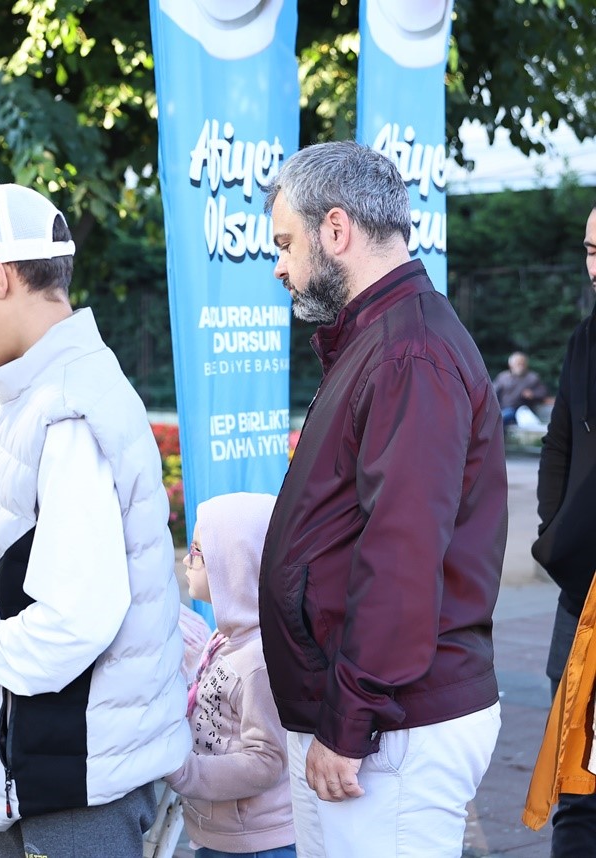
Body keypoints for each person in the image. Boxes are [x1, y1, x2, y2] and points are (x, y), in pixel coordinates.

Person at [0, 183, 190, 857]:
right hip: (61, 773)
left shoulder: (63, 409)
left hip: (76, 789)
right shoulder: (52, 392)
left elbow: (77, 618)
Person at [257, 141, 506, 856]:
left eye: (286, 243)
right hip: (377, 720)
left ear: (336, 230)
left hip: (392, 727)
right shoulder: (385, 341)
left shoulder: (407, 351)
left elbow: (402, 553)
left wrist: (350, 722)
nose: (280, 264)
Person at [166, 493, 295, 858]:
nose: (187, 562)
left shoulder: (260, 660)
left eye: (198, 552)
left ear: (237, 562)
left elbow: (267, 760)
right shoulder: (226, 638)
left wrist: (186, 773)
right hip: (222, 836)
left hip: (257, 845)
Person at [524, 201, 596, 854]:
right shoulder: (584, 339)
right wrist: (558, 535)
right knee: (577, 793)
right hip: (582, 602)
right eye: (591, 250)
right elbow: (558, 447)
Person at [492, 351, 548, 426]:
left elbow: (543, 393)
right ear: (511, 365)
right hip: (501, 409)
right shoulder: (503, 377)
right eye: (518, 364)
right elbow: (493, 393)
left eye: (523, 364)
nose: (521, 366)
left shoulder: (532, 378)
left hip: (520, 411)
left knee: (501, 418)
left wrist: (533, 394)